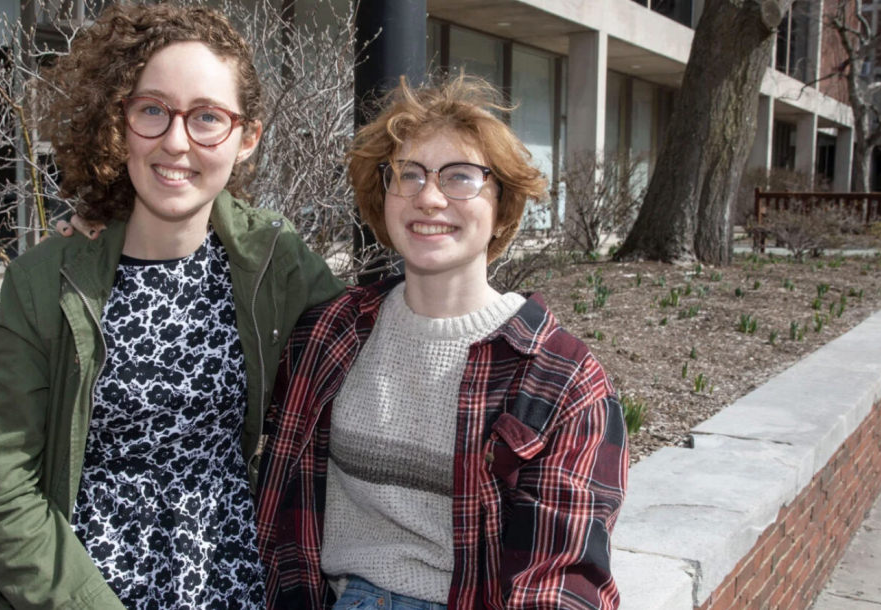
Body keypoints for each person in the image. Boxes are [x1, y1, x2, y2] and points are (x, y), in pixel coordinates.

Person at [0, 5, 344, 610]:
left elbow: (368, 348)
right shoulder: (44, 282)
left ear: (246, 137)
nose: (176, 141)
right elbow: (2, 487)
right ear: (119, 121)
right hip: (74, 590)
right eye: (152, 109)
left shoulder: (276, 264)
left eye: (207, 117)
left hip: (230, 584)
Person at [252, 76, 630, 610]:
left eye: (460, 178)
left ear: (501, 205)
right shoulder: (329, 333)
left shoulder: (560, 378)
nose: (429, 198)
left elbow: (561, 579)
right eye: (408, 175)